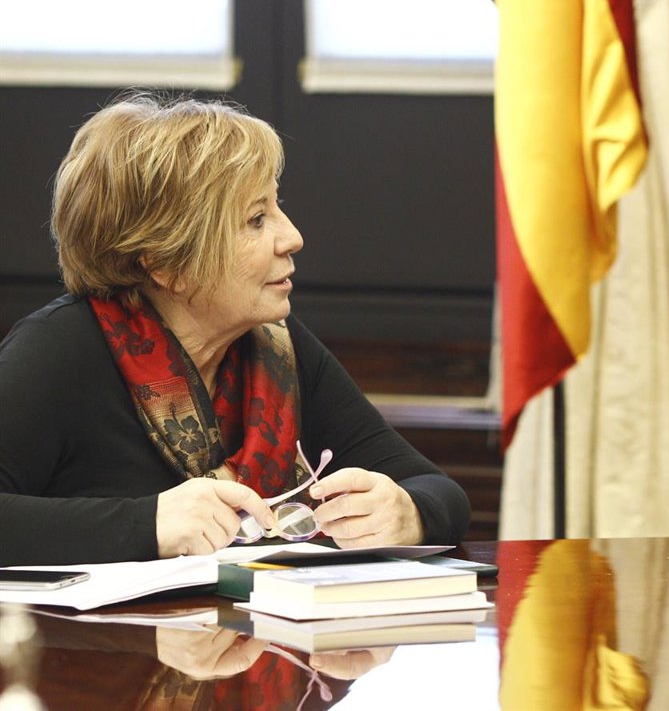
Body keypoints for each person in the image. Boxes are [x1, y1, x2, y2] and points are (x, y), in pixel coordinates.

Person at [0, 95, 470, 565]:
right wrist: (147, 524)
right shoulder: (58, 351)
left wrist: (407, 513)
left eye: (276, 206)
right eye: (256, 219)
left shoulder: (276, 348)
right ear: (166, 264)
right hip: (93, 641)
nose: (292, 238)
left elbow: (436, 489)